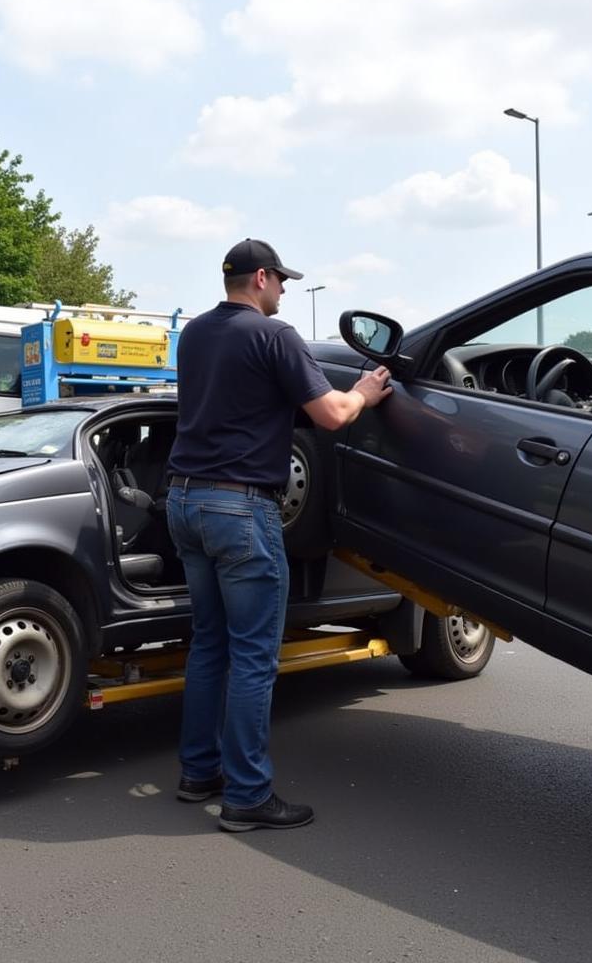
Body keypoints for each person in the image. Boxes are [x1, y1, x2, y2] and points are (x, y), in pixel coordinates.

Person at [165, 237, 393, 832]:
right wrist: (366, 392)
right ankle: (246, 795)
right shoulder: (275, 335)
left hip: (184, 501)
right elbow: (333, 415)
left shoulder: (195, 335)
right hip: (240, 509)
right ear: (261, 278)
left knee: (210, 645)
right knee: (253, 657)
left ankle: (199, 773)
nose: (286, 291)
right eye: (283, 281)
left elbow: (237, 403)